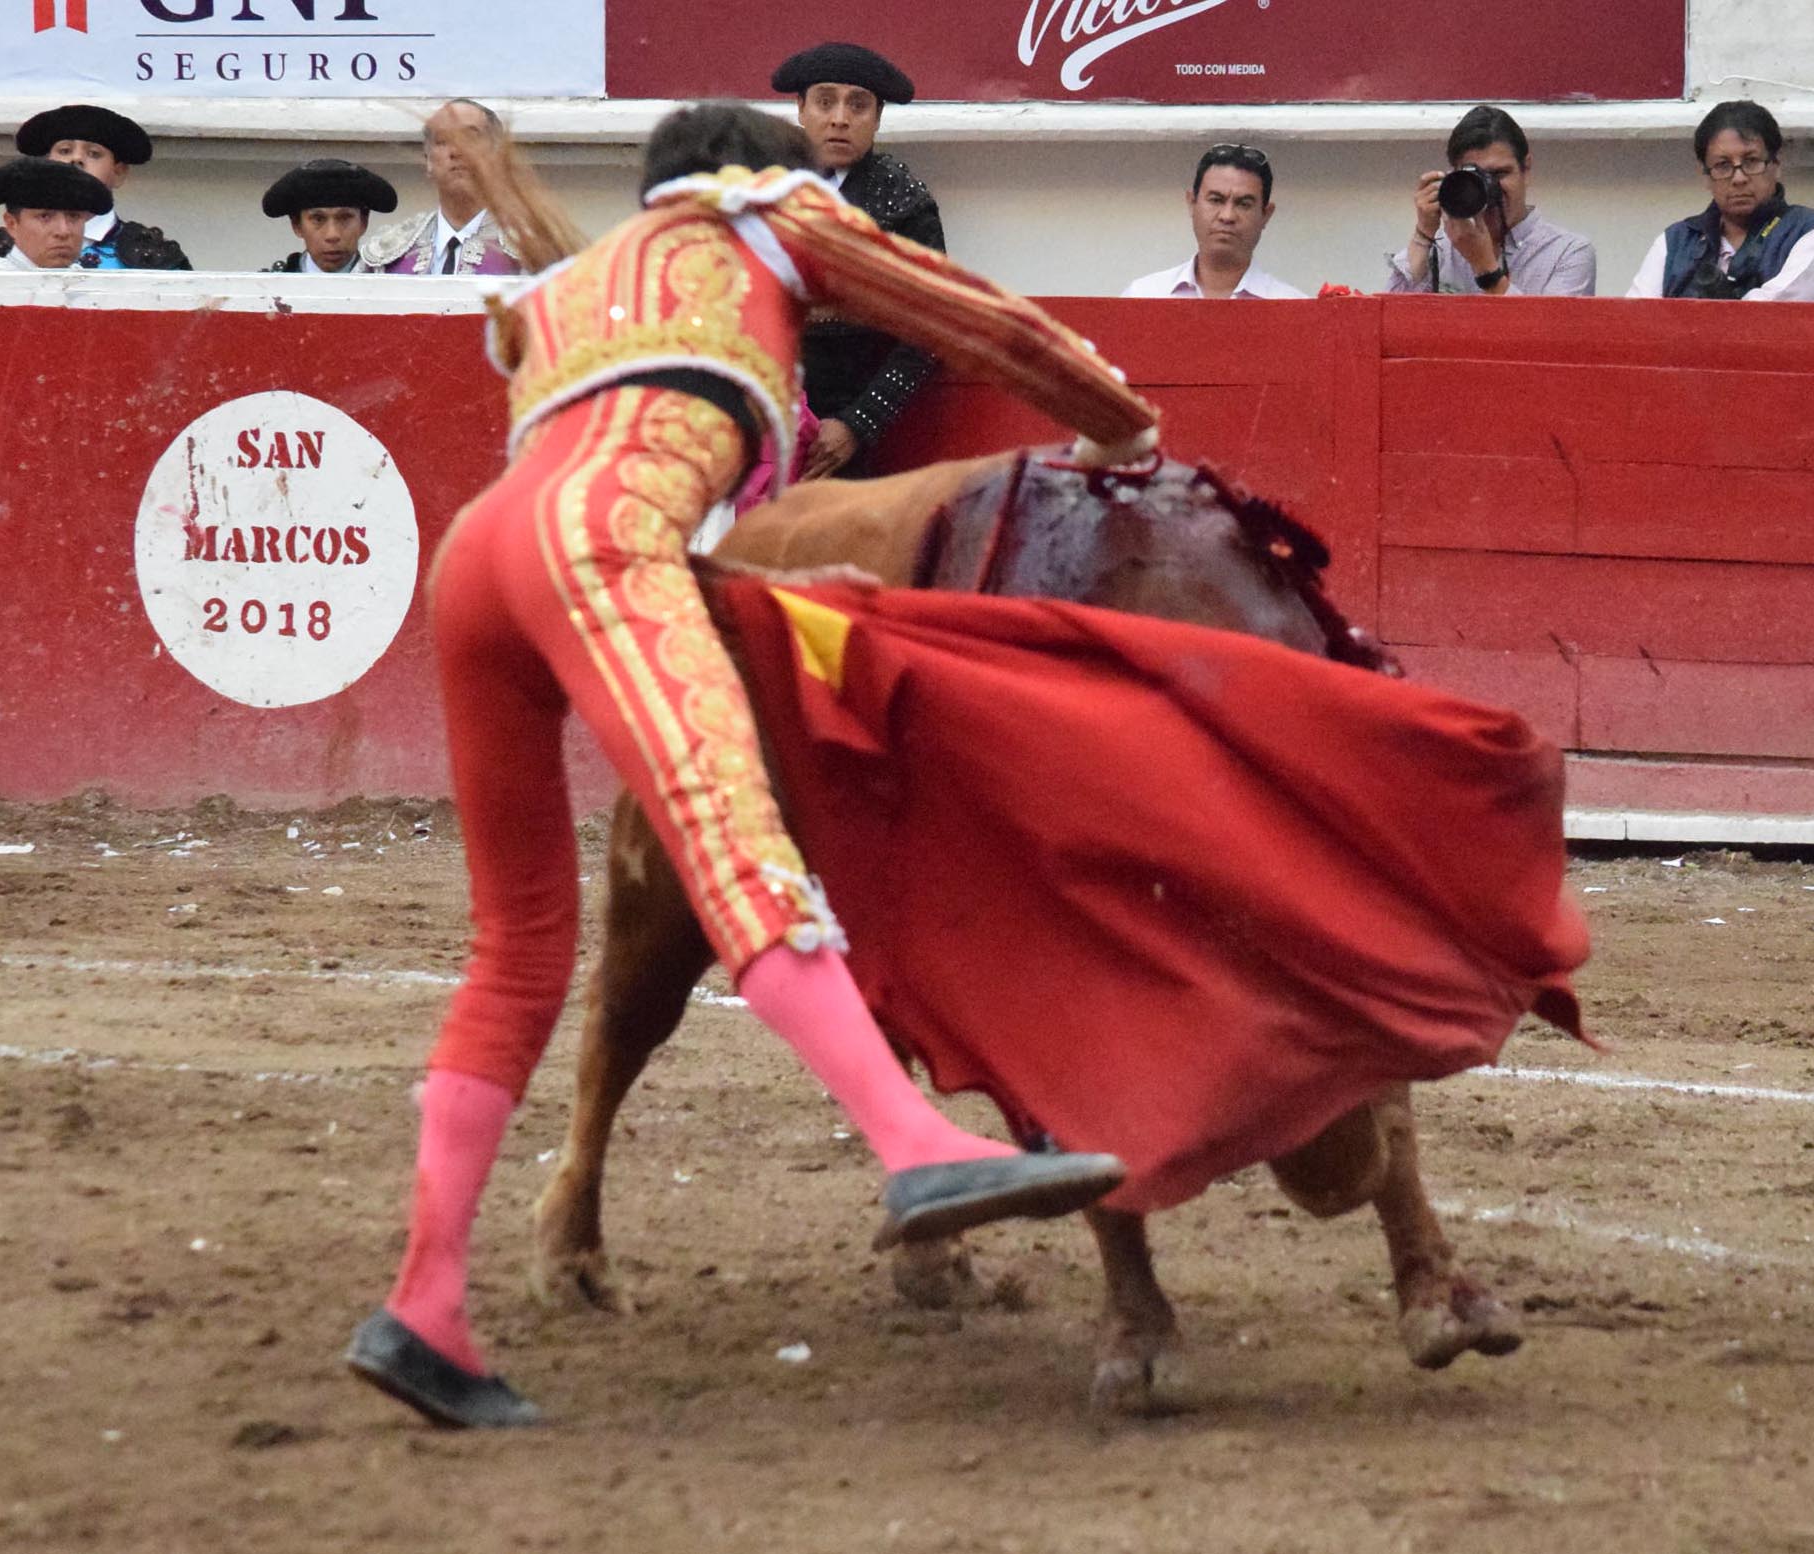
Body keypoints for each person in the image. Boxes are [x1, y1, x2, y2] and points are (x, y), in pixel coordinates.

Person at [342, 101, 1153, 1430]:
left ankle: (424, 1303)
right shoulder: (781, 221)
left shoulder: (562, 292)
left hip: (481, 560)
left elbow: (592, 480)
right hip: (606, 539)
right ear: (761, 174)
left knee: (516, 951)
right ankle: (914, 1142)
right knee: (732, 840)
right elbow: (985, 326)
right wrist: (1120, 428)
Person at [770, 42, 945, 479]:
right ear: (800, 108)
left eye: (858, 105)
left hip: (851, 425)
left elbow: (930, 329)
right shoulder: (760, 191)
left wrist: (858, 422)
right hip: (764, 412)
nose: (840, 118)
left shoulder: (903, 201)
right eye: (825, 101)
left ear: (878, 117)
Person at [1625, 101, 1814, 301]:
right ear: (1706, 177)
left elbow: (1771, 320)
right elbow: (1636, 323)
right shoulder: (1674, 242)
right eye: (1723, 165)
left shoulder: (1813, 234)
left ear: (1776, 165)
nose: (1739, 178)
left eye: (1751, 161)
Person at [1388, 106, 1595, 297]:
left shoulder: (1568, 253)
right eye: (1477, 177)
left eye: (1500, 174)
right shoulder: (1443, 247)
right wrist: (1423, 234)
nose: (1490, 188)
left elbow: (1548, 335)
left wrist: (1486, 270)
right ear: (1456, 176)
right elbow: (1389, 320)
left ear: (1526, 169)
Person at [0, 105, 191, 270]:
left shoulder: (149, 253)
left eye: (94, 154)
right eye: (65, 151)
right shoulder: (1, 248)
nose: (76, 160)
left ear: (119, 172)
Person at [359, 99, 530, 275]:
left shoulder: (531, 250)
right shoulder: (388, 252)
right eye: (442, 141)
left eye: (470, 138)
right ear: (428, 161)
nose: (456, 151)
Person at [1122, 144, 1306, 300]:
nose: (1227, 216)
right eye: (1216, 200)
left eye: (1244, 204)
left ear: (1266, 215)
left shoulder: (1295, 309)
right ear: (1192, 203)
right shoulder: (1144, 296)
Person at [0, 157, 118, 271]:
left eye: (73, 216)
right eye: (45, 216)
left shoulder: (92, 288)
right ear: (12, 224)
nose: (63, 231)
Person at [260, 158, 398, 274]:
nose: (332, 235)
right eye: (318, 219)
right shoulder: (269, 290)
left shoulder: (389, 287)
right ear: (297, 226)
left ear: (363, 222)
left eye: (345, 218)